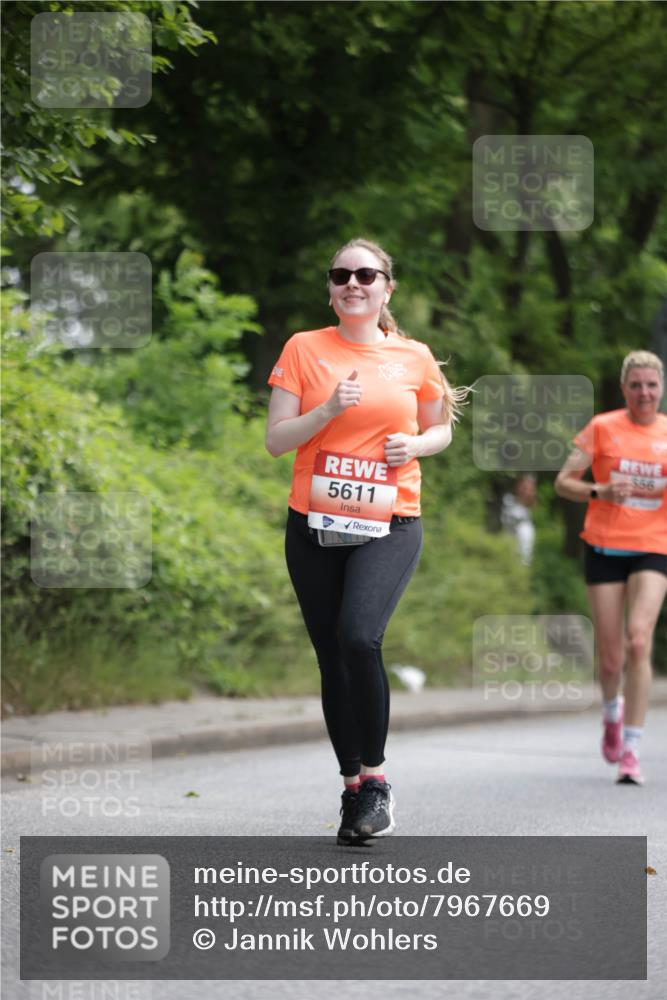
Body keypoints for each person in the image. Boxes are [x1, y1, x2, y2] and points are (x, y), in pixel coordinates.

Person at [265, 237, 468, 843]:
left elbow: (441, 428)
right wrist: (326, 410)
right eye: (341, 274)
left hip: (390, 523)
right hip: (315, 525)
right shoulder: (304, 349)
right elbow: (277, 440)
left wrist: (417, 445)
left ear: (386, 289)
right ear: (330, 289)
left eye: (366, 275)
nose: (353, 283)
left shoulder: (413, 356)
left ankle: (377, 781)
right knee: (332, 656)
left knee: (359, 637)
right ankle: (353, 788)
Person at [554, 351, 667, 785]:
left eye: (652, 385)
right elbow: (564, 483)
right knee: (611, 658)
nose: (644, 393)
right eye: (636, 385)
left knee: (639, 641)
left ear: (661, 389)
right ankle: (611, 714)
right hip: (604, 546)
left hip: (653, 547)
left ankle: (632, 750)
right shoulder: (603, 427)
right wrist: (601, 491)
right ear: (624, 389)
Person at [500, 474, 537, 566]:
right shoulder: (508, 499)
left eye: (527, 488)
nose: (524, 490)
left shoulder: (529, 503)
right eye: (523, 486)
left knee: (523, 561)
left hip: (523, 535)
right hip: (508, 534)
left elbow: (532, 502)